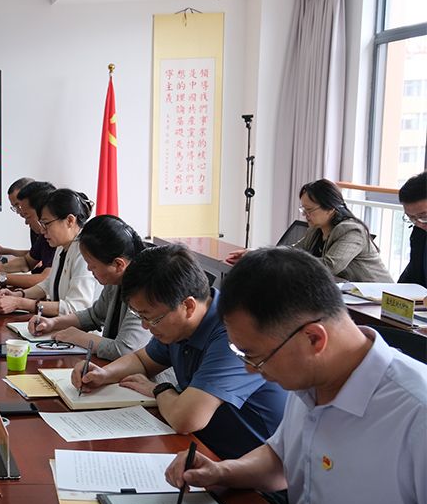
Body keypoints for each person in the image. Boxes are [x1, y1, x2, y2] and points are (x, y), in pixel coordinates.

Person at [165, 247, 426, 504]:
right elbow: (281, 460)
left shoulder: (415, 413)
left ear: (314, 338)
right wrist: (224, 471)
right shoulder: (311, 380)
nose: (249, 369)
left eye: (255, 356)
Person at [74, 244, 287, 460]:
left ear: (188, 306)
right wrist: (103, 374)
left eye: (151, 318)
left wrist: (160, 389)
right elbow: (142, 360)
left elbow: (187, 419)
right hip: (205, 449)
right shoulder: (178, 325)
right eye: (140, 316)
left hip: (249, 466)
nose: (146, 327)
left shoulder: (233, 333)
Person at [26, 215, 171, 387]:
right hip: (118, 375)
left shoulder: (143, 290)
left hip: (148, 383)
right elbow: (94, 315)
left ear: (118, 264)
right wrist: (54, 323)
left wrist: (80, 337)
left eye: (93, 265)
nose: (89, 269)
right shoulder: (115, 280)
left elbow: (124, 349)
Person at [227, 179, 392, 282]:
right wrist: (258, 254)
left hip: (377, 301)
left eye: (310, 210)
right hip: (346, 295)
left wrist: (283, 261)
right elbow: (294, 250)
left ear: (330, 208)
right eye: (303, 209)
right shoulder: (316, 228)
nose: (305, 215)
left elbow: (329, 266)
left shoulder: (351, 230)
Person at [0, 188, 99, 317]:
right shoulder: (62, 245)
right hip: (58, 323)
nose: (42, 231)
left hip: (78, 328)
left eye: (47, 224)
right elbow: (48, 283)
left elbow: (76, 307)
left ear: (70, 220)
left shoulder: (85, 252)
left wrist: (20, 303)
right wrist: (19, 295)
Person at [0, 180, 55, 289]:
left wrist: (0, 277)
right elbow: (27, 262)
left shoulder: (56, 236)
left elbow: (45, 280)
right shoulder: (45, 234)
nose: (26, 222)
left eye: (27, 216)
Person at [398, 170, 426, 287]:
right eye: (412, 218)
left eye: (424, 217)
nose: (419, 224)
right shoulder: (420, 234)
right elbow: (410, 277)